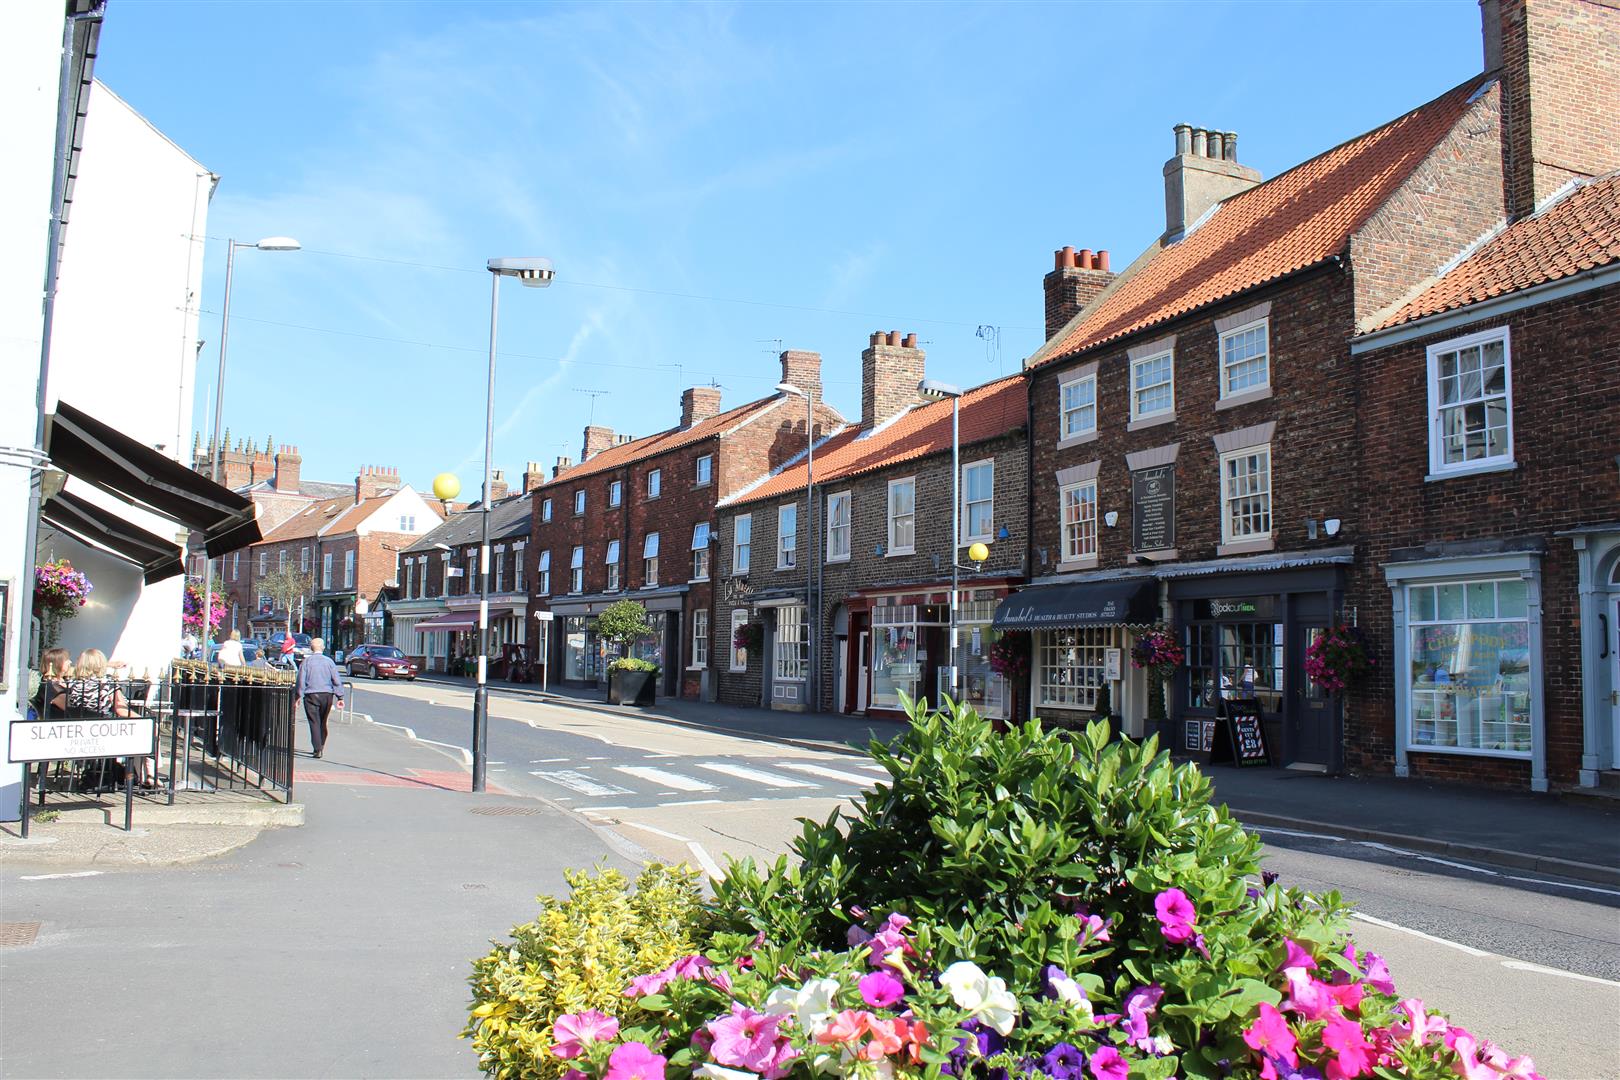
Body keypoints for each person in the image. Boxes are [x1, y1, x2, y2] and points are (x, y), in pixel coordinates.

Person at [294, 637, 345, 759]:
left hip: (311, 695)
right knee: (323, 721)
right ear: (322, 648)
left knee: (314, 722)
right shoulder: (329, 662)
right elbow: (336, 680)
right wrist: (340, 697)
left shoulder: (306, 662)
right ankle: (321, 743)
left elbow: (301, 681)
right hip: (327, 695)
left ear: (311, 648)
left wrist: (298, 696)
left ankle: (317, 748)